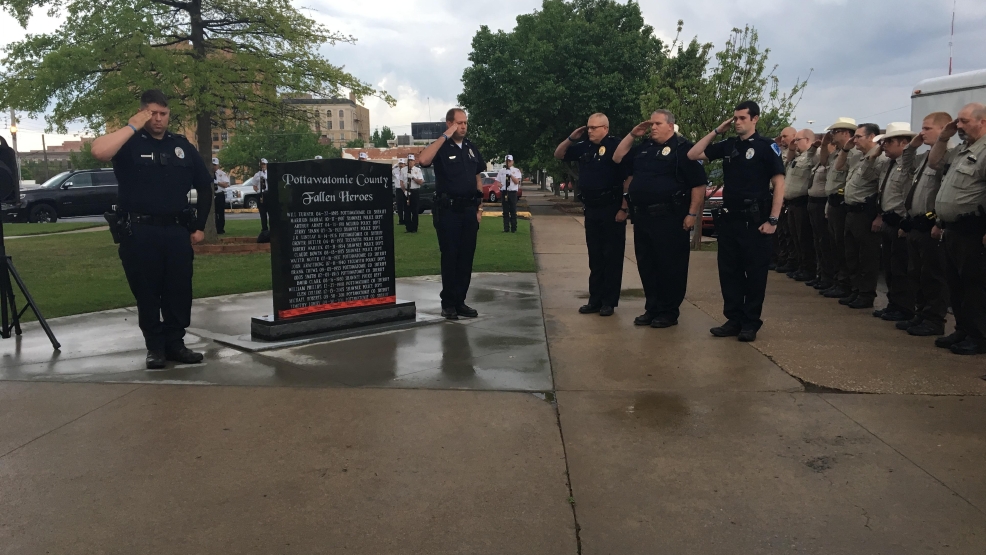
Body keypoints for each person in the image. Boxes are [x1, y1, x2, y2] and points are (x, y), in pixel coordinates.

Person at [89, 89, 211, 369]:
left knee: (178, 290)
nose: (158, 119)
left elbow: (205, 185)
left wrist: (199, 226)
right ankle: (155, 347)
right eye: (152, 113)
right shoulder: (128, 143)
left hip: (176, 230)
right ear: (142, 113)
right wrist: (132, 126)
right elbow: (98, 151)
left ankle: (175, 344)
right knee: (147, 292)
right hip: (139, 231)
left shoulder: (180, 146)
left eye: (163, 114)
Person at [688, 101, 786, 341]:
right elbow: (693, 154)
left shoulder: (766, 146)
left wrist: (773, 219)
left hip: (756, 220)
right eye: (735, 118)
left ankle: (750, 323)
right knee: (729, 272)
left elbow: (779, 184)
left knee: (755, 274)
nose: (737, 122)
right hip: (730, 220)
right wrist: (717, 131)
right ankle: (733, 319)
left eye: (742, 118)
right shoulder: (729, 145)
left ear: (755, 119)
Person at [613, 110, 707, 328]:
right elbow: (617, 157)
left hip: (670, 217)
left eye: (657, 124)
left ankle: (668, 311)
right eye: (651, 124)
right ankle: (652, 308)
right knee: (647, 264)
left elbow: (698, 184)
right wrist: (632, 134)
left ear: (670, 126)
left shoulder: (684, 149)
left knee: (670, 266)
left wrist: (692, 214)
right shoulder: (644, 148)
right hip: (643, 217)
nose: (652, 127)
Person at [553, 113, 628, 316]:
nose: (590, 131)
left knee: (611, 256)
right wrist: (571, 138)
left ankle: (609, 302)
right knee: (595, 257)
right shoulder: (584, 146)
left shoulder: (616, 145)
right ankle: (595, 300)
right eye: (588, 127)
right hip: (592, 208)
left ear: (605, 128)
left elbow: (628, 178)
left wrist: (624, 207)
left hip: (612, 207)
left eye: (594, 128)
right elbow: (559, 154)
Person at [417, 108, 485, 320]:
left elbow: (478, 178)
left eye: (465, 123)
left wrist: (480, 208)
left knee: (466, 257)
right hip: (448, 210)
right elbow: (424, 160)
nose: (463, 127)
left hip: (469, 210)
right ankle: (448, 303)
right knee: (450, 256)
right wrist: (444, 136)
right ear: (449, 123)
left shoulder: (471, 148)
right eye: (459, 123)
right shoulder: (442, 146)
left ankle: (460, 301)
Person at [929, 103, 986, 355]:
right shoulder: (962, 150)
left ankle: (979, 336)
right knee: (956, 284)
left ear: (983, 122)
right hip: (953, 229)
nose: (959, 126)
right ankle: (963, 329)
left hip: (973, 229)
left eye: (964, 121)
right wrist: (943, 137)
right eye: (957, 121)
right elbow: (934, 163)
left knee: (975, 286)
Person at [896, 112, 952, 336]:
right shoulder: (924, 157)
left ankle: (934, 319)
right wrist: (912, 146)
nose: (922, 132)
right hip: (916, 224)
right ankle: (921, 314)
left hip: (931, 225)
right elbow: (906, 166)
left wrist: (939, 222)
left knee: (933, 276)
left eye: (927, 128)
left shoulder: (946, 157)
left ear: (942, 130)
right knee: (916, 273)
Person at [872, 123, 919, 322]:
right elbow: (869, 174)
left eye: (889, 141)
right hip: (888, 219)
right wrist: (876, 151)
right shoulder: (887, 164)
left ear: (904, 143)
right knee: (890, 268)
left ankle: (904, 307)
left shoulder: (910, 165)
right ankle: (893, 304)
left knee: (901, 269)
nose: (884, 145)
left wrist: (905, 223)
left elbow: (907, 194)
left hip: (901, 222)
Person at [839, 123, 887, 309]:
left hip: (866, 214)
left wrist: (879, 216)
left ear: (872, 137)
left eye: (858, 136)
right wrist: (846, 149)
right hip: (851, 211)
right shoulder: (858, 156)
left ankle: (866, 294)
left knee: (867, 257)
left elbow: (881, 189)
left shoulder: (880, 159)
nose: (855, 140)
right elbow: (838, 166)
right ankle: (856, 289)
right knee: (852, 255)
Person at [818, 117, 860, 299]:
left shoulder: (854, 153)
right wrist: (824, 144)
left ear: (845, 133)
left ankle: (845, 283)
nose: (832, 135)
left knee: (844, 247)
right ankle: (837, 280)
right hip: (833, 203)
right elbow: (824, 162)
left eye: (835, 132)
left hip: (843, 204)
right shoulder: (837, 153)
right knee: (834, 245)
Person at [782, 129, 817, 281]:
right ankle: (801, 266)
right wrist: (791, 148)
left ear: (807, 140)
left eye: (797, 140)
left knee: (804, 238)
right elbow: (787, 164)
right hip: (792, 203)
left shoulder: (813, 155)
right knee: (795, 237)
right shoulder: (798, 156)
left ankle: (809, 269)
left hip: (802, 202)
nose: (794, 143)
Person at [806, 133, 834, 290]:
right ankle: (821, 275)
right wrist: (818, 146)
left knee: (825, 243)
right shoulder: (818, 163)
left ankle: (828, 277)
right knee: (818, 242)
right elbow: (809, 158)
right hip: (813, 203)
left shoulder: (832, 163)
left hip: (823, 204)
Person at [772, 126, 798, 272]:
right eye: (781, 136)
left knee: (790, 234)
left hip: (790, 198)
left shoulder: (798, 154)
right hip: (779, 196)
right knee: (781, 232)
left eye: (785, 136)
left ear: (794, 136)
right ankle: (783, 258)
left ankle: (792, 261)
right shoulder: (781, 152)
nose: (782, 139)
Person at [497, 155, 522, 233]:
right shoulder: (502, 171)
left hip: (512, 192)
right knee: (505, 211)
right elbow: (498, 182)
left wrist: (510, 175)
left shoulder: (516, 170)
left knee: (513, 210)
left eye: (509, 161)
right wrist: (501, 186)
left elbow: (517, 182)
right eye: (507, 161)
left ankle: (513, 228)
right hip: (504, 192)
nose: (508, 163)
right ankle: (506, 228)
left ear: (512, 162)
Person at [405, 154, 424, 233]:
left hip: (414, 191)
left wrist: (412, 177)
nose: (410, 162)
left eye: (411, 161)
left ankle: (414, 228)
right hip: (406, 191)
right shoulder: (403, 170)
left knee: (415, 210)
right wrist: (404, 190)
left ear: (414, 162)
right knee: (407, 210)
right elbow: (401, 182)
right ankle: (408, 228)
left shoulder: (417, 170)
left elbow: (421, 182)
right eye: (409, 161)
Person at [252, 158, 270, 236]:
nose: (263, 166)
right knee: (262, 213)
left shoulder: (270, 173)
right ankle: (264, 229)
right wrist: (258, 191)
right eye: (262, 164)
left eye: (264, 164)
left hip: (269, 194)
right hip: (261, 194)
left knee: (271, 212)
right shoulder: (257, 174)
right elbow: (254, 185)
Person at [212, 157, 230, 234]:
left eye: (215, 165)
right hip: (212, 195)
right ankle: (214, 228)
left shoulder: (222, 174)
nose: (213, 167)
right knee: (213, 213)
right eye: (212, 165)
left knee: (220, 212)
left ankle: (221, 229)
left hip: (219, 194)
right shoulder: (208, 173)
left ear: (218, 165)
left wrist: (217, 182)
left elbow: (226, 185)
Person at [393, 158, 407, 225]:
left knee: (406, 204)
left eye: (402, 163)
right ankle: (401, 220)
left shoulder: (407, 170)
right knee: (399, 205)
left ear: (404, 164)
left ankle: (407, 219)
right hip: (398, 189)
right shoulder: (394, 171)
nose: (401, 165)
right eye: (400, 163)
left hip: (405, 189)